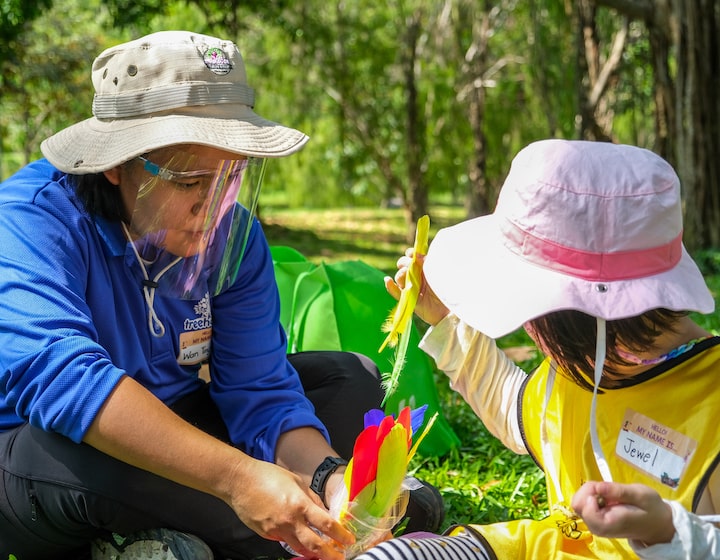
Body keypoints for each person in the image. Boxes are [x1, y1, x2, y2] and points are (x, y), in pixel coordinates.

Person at [0, 31, 442, 560]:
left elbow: (261, 388)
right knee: (75, 452)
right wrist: (237, 479)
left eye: (232, 178)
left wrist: (327, 476)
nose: (214, 209)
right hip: (43, 450)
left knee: (349, 378)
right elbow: (68, 383)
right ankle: (266, 529)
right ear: (115, 164)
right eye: (190, 182)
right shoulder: (30, 220)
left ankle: (176, 537)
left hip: (178, 421)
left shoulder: (232, 236)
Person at [354, 139, 720, 559]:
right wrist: (443, 320)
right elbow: (515, 409)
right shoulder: (582, 370)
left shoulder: (711, 405)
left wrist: (669, 532)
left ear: (580, 315)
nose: (530, 329)